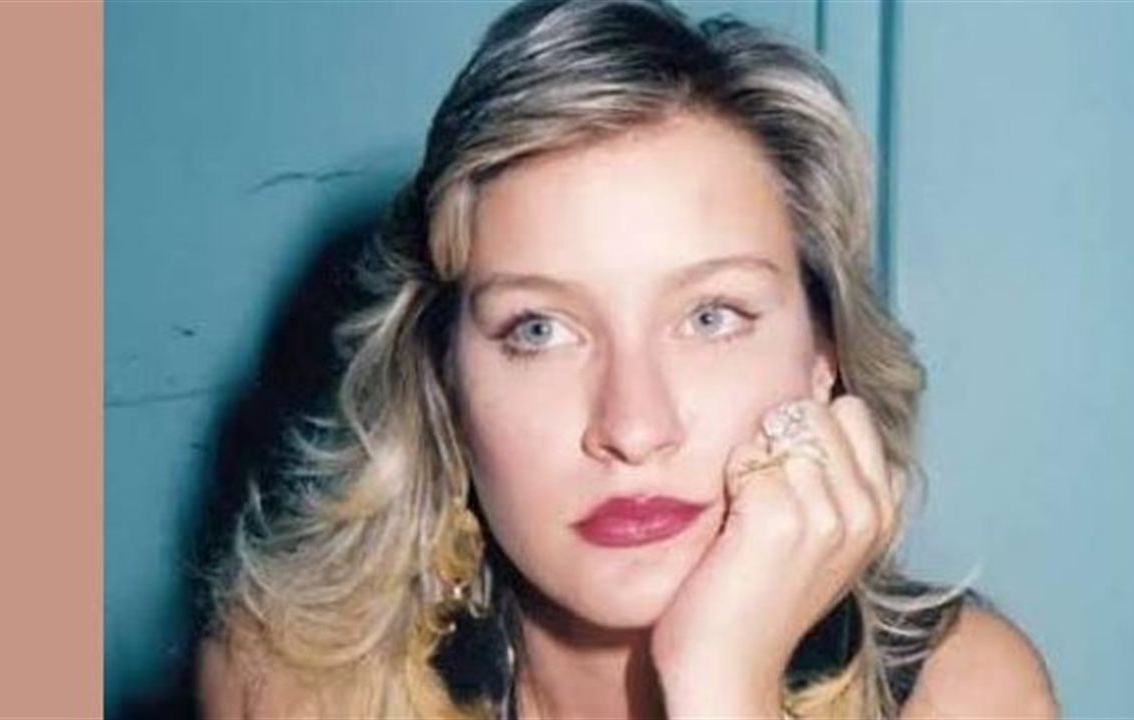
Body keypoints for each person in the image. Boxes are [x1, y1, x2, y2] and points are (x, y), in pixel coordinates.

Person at [197, 0, 1059, 717]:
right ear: (444, 378)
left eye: (711, 317)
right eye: (539, 330)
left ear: (822, 358)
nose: (633, 426)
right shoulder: (287, 684)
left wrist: (724, 690)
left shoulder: (965, 695)